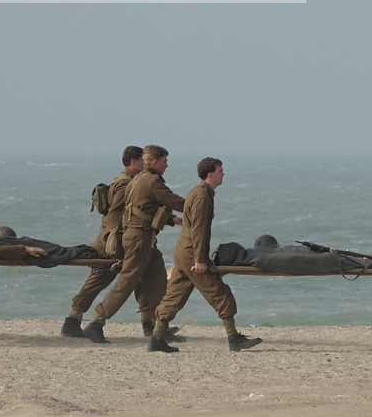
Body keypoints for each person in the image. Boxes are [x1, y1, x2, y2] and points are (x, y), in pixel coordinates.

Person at [150, 157, 262, 353]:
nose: (223, 174)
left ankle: (157, 338)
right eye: (220, 170)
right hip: (191, 252)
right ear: (210, 174)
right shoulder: (202, 196)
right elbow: (199, 231)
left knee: (174, 295)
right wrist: (200, 260)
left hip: (183, 251)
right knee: (219, 292)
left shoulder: (200, 192)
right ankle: (234, 339)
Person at [84, 145, 182, 344]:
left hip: (144, 239)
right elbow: (174, 201)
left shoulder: (139, 179)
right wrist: (200, 206)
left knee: (158, 282)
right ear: (155, 162)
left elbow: (144, 208)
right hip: (138, 239)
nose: (167, 165)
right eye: (164, 161)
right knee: (126, 283)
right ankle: (96, 322)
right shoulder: (151, 181)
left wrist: (170, 220)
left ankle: (159, 327)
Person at [63, 146, 144, 338]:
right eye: (142, 160)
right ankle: (72, 321)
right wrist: (117, 242)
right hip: (111, 243)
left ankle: (153, 326)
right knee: (98, 279)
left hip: (111, 239)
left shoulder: (125, 181)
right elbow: (115, 216)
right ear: (133, 162)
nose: (145, 164)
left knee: (140, 278)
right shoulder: (125, 185)